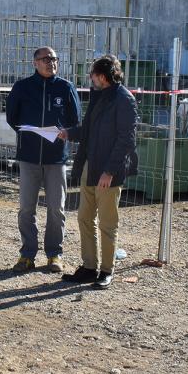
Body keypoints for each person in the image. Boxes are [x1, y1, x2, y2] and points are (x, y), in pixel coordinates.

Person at [59, 55, 139, 289]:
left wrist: (110, 171)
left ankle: (106, 270)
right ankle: (89, 267)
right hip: (90, 167)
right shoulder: (100, 97)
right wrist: (69, 133)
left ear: (102, 76)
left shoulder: (124, 100)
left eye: (92, 74)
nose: (90, 78)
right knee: (84, 218)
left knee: (107, 223)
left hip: (108, 173)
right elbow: (90, 129)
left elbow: (127, 140)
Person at [5, 46, 81, 273]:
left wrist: (63, 131)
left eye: (54, 59)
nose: (51, 62)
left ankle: (54, 254)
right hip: (28, 157)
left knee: (56, 209)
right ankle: (27, 254)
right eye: (45, 59)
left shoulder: (66, 87)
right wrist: (29, 132)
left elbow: (75, 120)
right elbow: (12, 117)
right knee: (27, 209)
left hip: (56, 158)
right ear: (35, 62)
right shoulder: (22, 87)